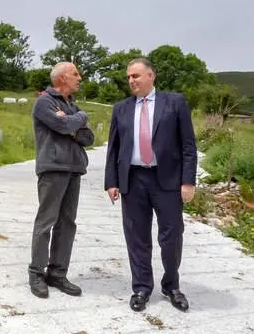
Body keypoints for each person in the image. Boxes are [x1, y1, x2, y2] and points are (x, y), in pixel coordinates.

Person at [104, 57, 197, 313]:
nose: (131, 81)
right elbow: (114, 148)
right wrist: (111, 181)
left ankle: (171, 285)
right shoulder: (121, 108)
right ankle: (142, 287)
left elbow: (188, 145)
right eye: (128, 77)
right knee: (136, 237)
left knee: (171, 235)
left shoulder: (174, 103)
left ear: (151, 76)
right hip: (133, 180)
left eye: (135, 76)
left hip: (166, 179)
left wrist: (188, 181)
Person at [28, 62, 95, 298]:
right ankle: (36, 272)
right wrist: (80, 118)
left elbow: (88, 137)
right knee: (46, 221)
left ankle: (57, 273)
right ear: (62, 78)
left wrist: (72, 122)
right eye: (75, 74)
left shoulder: (71, 105)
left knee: (67, 223)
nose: (80, 77)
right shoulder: (44, 102)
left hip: (74, 168)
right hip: (53, 168)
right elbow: (61, 124)